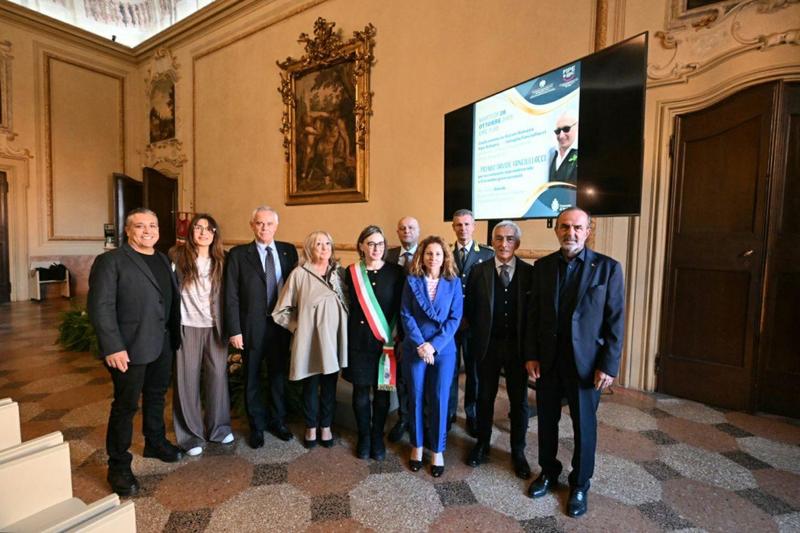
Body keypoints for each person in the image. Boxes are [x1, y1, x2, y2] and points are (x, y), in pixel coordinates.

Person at [525, 207, 624, 518]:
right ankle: (549, 472)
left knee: (584, 427)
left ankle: (580, 484)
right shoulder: (541, 267)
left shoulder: (607, 269)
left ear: (588, 230)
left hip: (586, 365)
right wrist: (531, 355)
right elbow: (533, 316)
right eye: (565, 227)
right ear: (557, 230)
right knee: (547, 422)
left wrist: (608, 365)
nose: (571, 233)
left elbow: (615, 321)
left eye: (578, 227)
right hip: (548, 361)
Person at [88, 208, 182, 496]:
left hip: (162, 343)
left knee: (156, 397)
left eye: (152, 225)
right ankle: (118, 465)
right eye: (140, 226)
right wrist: (113, 346)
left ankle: (155, 442)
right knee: (125, 406)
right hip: (128, 348)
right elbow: (100, 306)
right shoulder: (111, 261)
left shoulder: (164, 259)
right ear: (127, 231)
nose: (147, 231)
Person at [224, 206, 298, 449]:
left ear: (276, 226)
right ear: (252, 225)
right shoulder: (237, 254)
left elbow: (296, 291)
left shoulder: (288, 252)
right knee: (252, 377)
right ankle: (256, 426)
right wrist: (234, 330)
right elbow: (231, 295)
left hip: (280, 326)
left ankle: (278, 421)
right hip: (251, 327)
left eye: (269, 223)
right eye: (259, 223)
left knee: (278, 376)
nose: (264, 227)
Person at [465, 220, 533, 480]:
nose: (504, 244)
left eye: (509, 239)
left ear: (517, 243)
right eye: (499, 238)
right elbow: (469, 309)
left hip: (517, 348)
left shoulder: (530, 273)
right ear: (491, 242)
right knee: (485, 398)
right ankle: (482, 443)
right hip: (487, 346)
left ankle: (518, 451)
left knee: (519, 402)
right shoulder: (478, 271)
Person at [273, 231, 348, 447]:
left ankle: (326, 426)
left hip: (333, 339)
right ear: (309, 249)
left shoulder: (338, 273)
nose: (324, 248)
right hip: (310, 340)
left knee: (329, 385)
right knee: (310, 385)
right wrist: (298, 328)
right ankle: (311, 426)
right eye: (318, 244)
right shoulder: (299, 274)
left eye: (327, 243)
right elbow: (281, 311)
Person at [170, 213, 233, 457]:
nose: (203, 232)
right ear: (191, 232)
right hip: (186, 326)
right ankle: (189, 435)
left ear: (214, 233)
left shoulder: (223, 260)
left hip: (214, 327)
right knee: (186, 381)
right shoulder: (176, 256)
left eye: (208, 228)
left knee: (217, 378)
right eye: (198, 227)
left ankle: (218, 428)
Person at [400, 235, 463, 477]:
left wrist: (433, 346)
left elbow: (455, 319)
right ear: (422, 256)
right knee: (415, 396)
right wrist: (421, 344)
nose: (433, 258)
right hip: (416, 348)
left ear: (445, 256)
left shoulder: (453, 283)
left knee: (439, 398)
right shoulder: (411, 280)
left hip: (443, 349)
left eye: (438, 254)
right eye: (429, 253)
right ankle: (416, 446)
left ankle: (437, 449)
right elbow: (406, 315)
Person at [344, 225, 404, 460]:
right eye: (370, 243)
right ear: (361, 246)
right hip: (358, 342)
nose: (376, 248)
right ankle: (364, 436)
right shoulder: (350, 272)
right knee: (360, 391)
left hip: (385, 344)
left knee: (382, 393)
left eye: (380, 244)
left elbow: (402, 308)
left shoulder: (397, 273)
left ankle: (377, 436)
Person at [451, 209, 494, 436]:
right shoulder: (446, 254)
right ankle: (448, 413)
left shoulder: (486, 255)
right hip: (450, 325)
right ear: (453, 228)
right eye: (458, 225)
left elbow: (486, 294)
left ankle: (472, 414)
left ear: (474, 226)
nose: (463, 229)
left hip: (474, 326)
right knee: (449, 371)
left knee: (474, 373)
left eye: (467, 224)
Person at [384, 215, 420, 443]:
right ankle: (403, 417)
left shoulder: (428, 253)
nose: (406, 231)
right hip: (393, 323)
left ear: (418, 230)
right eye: (402, 228)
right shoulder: (388, 255)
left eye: (411, 228)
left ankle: (420, 419)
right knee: (400, 376)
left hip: (418, 325)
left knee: (419, 374)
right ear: (397, 232)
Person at [548, 111, 578, 184]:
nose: (561, 136)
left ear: (577, 127)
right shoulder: (551, 154)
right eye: (558, 131)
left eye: (566, 129)